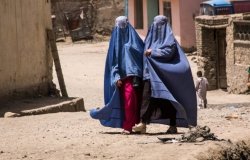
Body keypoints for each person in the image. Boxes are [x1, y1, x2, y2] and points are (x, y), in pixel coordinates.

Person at [132, 15, 197, 134]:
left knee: (168, 100)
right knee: (147, 98)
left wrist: (154, 52)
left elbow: (169, 52)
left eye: (160, 24)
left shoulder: (170, 40)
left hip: (163, 76)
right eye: (156, 24)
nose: (157, 27)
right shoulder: (149, 38)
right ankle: (143, 123)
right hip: (149, 74)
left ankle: (173, 125)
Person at [90, 16, 144, 134]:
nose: (121, 28)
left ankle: (135, 125)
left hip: (135, 78)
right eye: (119, 25)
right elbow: (113, 61)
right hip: (121, 78)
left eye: (123, 24)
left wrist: (135, 69)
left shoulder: (134, 39)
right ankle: (128, 126)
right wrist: (116, 77)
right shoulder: (115, 42)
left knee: (134, 102)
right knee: (127, 102)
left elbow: (142, 54)